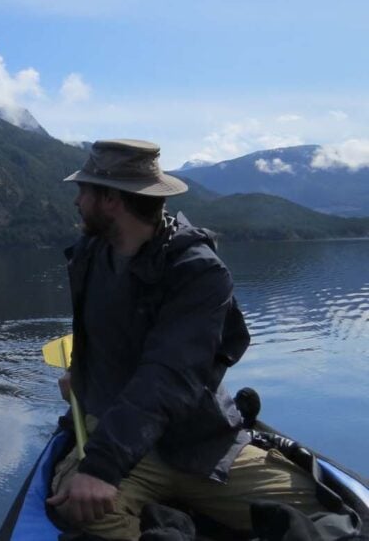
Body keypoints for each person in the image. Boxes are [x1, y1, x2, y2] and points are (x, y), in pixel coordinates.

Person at [47, 139, 322, 540]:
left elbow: (169, 376)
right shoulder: (90, 254)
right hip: (113, 433)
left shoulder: (198, 272)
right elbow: (98, 331)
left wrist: (100, 467)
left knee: (329, 509)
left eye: (83, 191)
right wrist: (81, 371)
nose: (76, 202)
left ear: (110, 200)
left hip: (200, 445)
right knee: (80, 510)